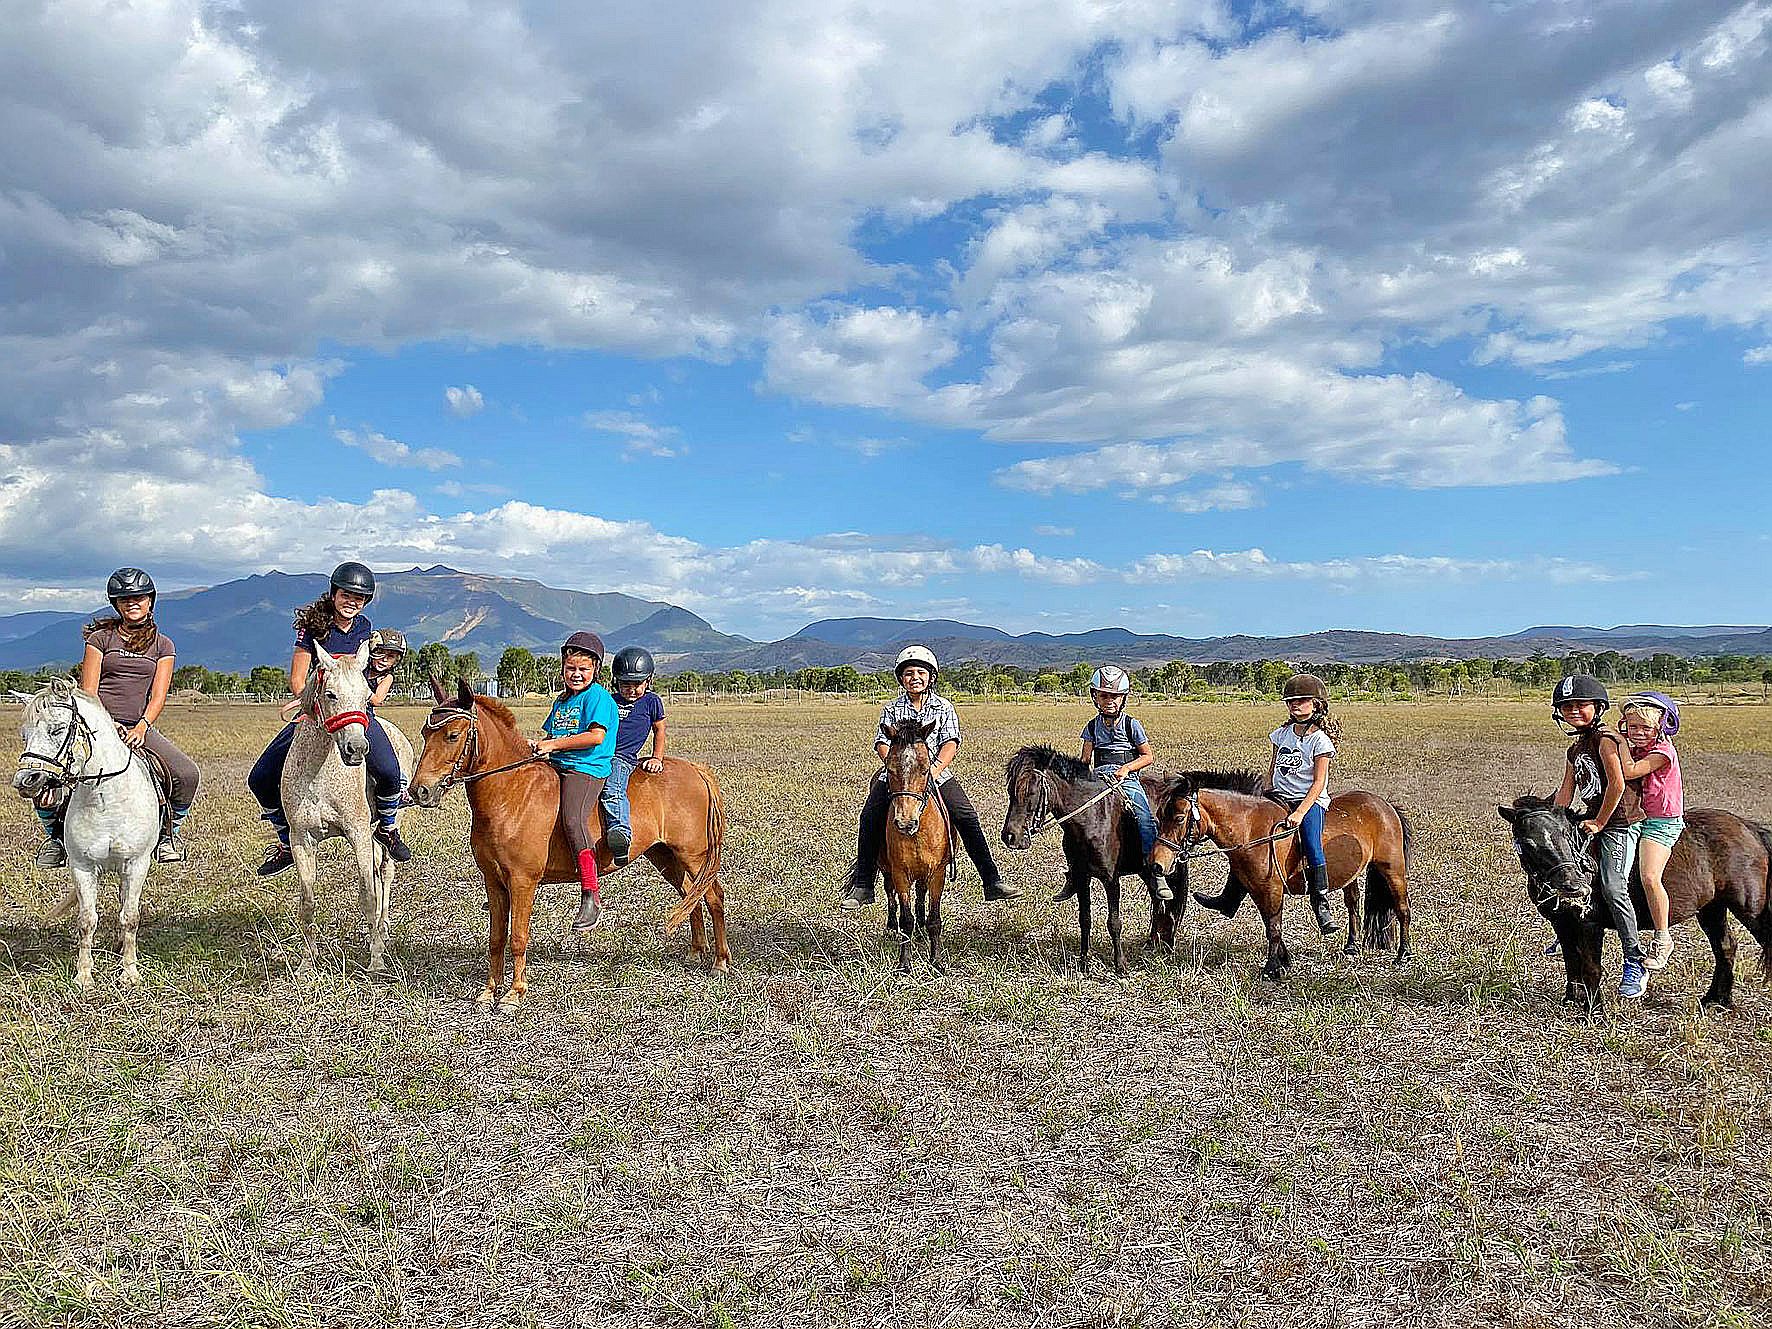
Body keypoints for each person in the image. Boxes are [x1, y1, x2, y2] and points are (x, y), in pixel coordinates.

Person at [248, 562, 410, 876]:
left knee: (390, 770)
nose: (353, 602)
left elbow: (364, 669)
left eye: (360, 598)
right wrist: (312, 703)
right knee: (261, 778)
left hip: (356, 711)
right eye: (347, 594)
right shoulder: (313, 629)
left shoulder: (364, 628)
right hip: (318, 710)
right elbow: (297, 680)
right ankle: (286, 842)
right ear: (334, 593)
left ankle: (388, 829)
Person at [34, 568, 200, 866]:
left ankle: (167, 836)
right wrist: (106, 727)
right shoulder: (101, 639)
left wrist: (141, 727)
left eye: (138, 597)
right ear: (116, 604)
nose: (132, 603)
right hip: (95, 725)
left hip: (140, 726)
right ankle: (56, 839)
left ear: (151, 600)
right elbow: (88, 690)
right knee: (44, 773)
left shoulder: (164, 645)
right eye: (124, 599)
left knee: (187, 774)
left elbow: (158, 695)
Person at [841, 644, 1020, 909]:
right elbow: (881, 742)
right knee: (870, 815)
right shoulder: (891, 709)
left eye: (920, 672)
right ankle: (864, 885)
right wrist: (894, 767)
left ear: (931, 677)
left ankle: (991, 880)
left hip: (934, 772)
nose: (915, 677)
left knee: (967, 816)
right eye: (909, 672)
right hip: (898, 774)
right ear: (901, 678)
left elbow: (951, 742)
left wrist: (934, 770)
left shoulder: (943, 707)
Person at [1550, 673, 1647, 998]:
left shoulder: (1606, 740)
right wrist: (1551, 817)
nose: (1573, 711)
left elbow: (1617, 785)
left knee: (1614, 886)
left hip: (1619, 822)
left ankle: (1634, 957)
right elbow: (1566, 793)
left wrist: (1600, 822)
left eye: (1580, 705)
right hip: (1593, 819)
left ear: (1598, 707)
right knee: (1565, 868)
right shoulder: (1574, 748)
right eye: (1566, 706)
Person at [1055, 664, 1165, 902]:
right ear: (1095, 696)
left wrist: (1126, 769)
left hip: (1126, 779)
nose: (1109, 701)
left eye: (1114, 696)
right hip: (1098, 780)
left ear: (1123, 698)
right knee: (1074, 822)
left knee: (1144, 816)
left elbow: (1148, 756)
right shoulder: (1092, 727)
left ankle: (1154, 868)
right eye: (1104, 695)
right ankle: (1075, 873)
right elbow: (1085, 760)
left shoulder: (1131, 725)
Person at [535, 631, 619, 933]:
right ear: (563, 669)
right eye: (571, 668)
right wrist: (539, 747)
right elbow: (552, 735)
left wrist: (554, 746)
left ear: (595, 670)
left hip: (585, 768)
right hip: (558, 764)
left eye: (583, 669)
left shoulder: (597, 697)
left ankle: (591, 893)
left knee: (573, 820)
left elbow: (595, 737)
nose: (577, 674)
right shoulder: (562, 700)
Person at [1267, 673, 1341, 936]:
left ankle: (1321, 903)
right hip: (1279, 797)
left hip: (1309, 802)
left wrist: (1300, 812)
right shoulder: (1281, 734)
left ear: (1316, 704)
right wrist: (1266, 791)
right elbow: (1273, 767)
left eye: (1301, 700)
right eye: (1290, 701)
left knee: (1311, 843)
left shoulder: (1320, 740)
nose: (1295, 704)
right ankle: (1230, 897)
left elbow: (1319, 782)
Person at [1618, 692, 1684, 971]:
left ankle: (1662, 938)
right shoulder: (1639, 747)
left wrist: (1616, 743)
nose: (1639, 733)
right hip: (1642, 816)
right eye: (1633, 727)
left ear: (1661, 727)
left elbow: (1630, 772)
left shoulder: (1663, 752)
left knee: (1649, 875)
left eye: (1646, 728)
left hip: (1662, 821)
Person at [600, 645, 666, 867]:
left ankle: (620, 831)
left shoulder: (651, 701)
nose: (631, 689)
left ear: (648, 681)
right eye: (625, 684)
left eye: (637, 684)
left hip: (621, 757)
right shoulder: (610, 700)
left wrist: (657, 758)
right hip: (599, 753)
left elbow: (660, 730)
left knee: (613, 789)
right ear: (615, 682)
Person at [365, 629, 408, 707]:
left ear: (396, 660)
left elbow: (377, 700)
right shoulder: (361, 667)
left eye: (391, 656)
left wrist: (361, 688)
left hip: (364, 711)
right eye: (380, 653)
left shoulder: (387, 677)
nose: (384, 659)